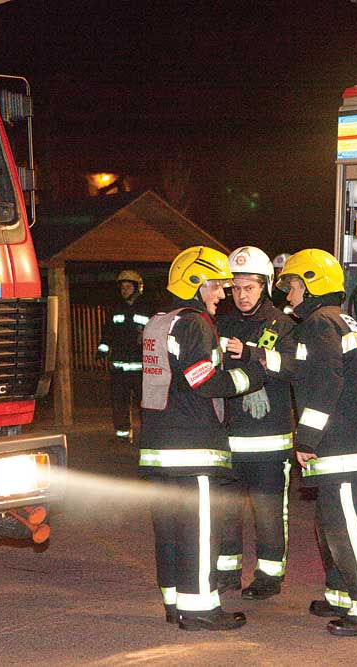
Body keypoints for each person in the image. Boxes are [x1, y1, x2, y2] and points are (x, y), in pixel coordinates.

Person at [261, 248, 357, 637]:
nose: (288, 296)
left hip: (342, 445)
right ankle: (341, 594)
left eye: (293, 286)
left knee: (349, 526)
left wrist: (306, 438)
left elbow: (324, 383)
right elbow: (303, 369)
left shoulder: (320, 323)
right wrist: (256, 356)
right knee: (331, 522)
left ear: (313, 284)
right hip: (351, 440)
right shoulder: (336, 321)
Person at [140, 246, 266, 631]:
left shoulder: (158, 322)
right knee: (198, 532)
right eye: (217, 287)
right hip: (192, 448)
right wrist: (250, 378)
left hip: (159, 448)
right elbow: (202, 381)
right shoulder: (195, 323)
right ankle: (200, 610)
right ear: (197, 284)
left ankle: (175, 602)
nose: (223, 295)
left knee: (170, 531)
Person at [214, 246, 296, 601]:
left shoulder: (285, 325)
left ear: (265, 286)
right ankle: (227, 571)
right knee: (227, 512)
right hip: (229, 440)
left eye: (249, 287)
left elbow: (293, 368)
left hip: (270, 442)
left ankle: (269, 576)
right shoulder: (222, 322)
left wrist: (253, 361)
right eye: (235, 288)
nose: (241, 295)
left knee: (268, 515)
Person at [97, 269, 150, 440]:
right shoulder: (116, 309)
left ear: (137, 288)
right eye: (122, 287)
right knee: (119, 402)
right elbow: (107, 333)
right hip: (119, 366)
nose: (124, 290)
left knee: (144, 403)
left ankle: (148, 436)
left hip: (141, 367)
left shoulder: (147, 308)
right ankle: (122, 434)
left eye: (128, 287)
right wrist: (102, 351)